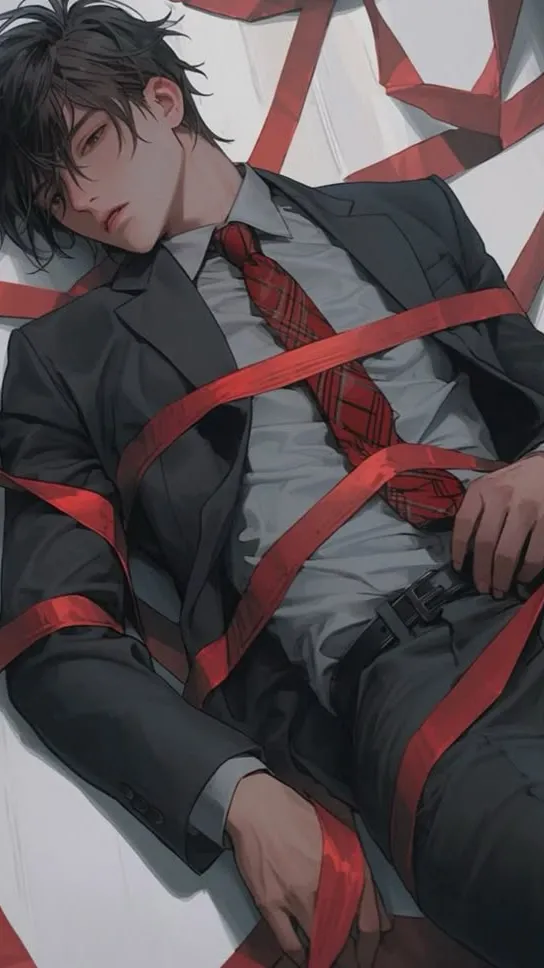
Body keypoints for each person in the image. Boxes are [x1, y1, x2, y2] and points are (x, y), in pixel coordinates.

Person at [0, 2, 543, 966]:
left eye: (88, 146)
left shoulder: (410, 214)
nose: (79, 199)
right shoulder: (65, 364)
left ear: (162, 100)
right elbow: (53, 634)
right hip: (419, 689)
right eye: (50, 193)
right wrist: (235, 791)